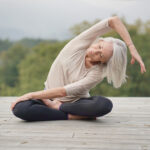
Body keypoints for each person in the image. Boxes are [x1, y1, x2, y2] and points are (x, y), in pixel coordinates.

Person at [11, 16, 146, 121]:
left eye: (101, 55)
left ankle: (60, 109)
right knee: (20, 109)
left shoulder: (97, 73)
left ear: (104, 62)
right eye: (99, 47)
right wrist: (131, 47)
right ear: (99, 41)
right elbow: (113, 21)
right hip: (49, 97)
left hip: (75, 104)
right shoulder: (79, 44)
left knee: (104, 105)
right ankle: (70, 117)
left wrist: (32, 95)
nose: (95, 52)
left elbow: (64, 92)